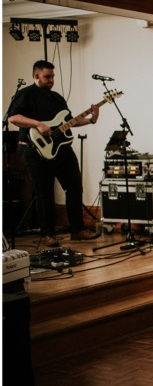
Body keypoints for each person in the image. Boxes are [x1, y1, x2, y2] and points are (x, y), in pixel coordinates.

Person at [7, 60, 101, 248]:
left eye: (53, 76)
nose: (51, 80)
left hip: (62, 149)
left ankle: (78, 230)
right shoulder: (25, 94)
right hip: (35, 150)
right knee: (44, 192)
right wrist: (37, 124)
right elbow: (13, 117)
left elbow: (68, 123)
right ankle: (48, 233)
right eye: (47, 76)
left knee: (74, 186)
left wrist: (91, 120)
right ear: (36, 76)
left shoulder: (57, 98)